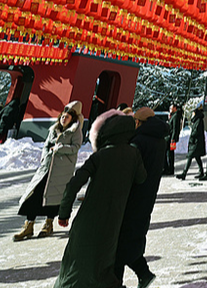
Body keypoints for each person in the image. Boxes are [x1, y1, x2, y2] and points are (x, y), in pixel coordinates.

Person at [54, 110, 146, 288]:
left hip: (88, 217)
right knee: (102, 264)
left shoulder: (100, 155)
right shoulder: (133, 154)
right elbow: (141, 178)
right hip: (114, 219)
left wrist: (64, 212)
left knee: (75, 263)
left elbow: (74, 184)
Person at [14, 101, 84, 242]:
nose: (64, 119)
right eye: (63, 116)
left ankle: (48, 223)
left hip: (61, 170)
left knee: (54, 196)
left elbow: (75, 148)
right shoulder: (53, 129)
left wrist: (60, 148)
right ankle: (29, 225)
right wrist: (45, 156)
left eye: (67, 117)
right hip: (46, 167)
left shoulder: (75, 131)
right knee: (34, 194)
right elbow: (46, 145)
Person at [115, 107, 168, 288]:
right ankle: (142, 274)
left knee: (121, 242)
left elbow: (128, 170)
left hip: (133, 195)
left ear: (138, 122)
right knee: (131, 237)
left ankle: (134, 277)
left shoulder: (138, 141)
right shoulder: (159, 140)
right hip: (148, 194)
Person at [176, 107, 206, 180]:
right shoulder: (197, 120)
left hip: (196, 142)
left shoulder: (199, 121)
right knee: (197, 157)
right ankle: (201, 172)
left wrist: (192, 135)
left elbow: (197, 131)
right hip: (195, 142)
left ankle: (184, 173)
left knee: (190, 156)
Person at [164, 104, 183, 176]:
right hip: (170, 137)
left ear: (175, 108)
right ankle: (168, 168)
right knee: (168, 153)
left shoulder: (176, 116)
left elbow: (175, 128)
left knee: (170, 153)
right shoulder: (173, 115)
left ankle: (169, 168)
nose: (170, 109)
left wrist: (173, 138)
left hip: (171, 138)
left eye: (171, 108)